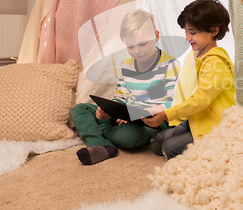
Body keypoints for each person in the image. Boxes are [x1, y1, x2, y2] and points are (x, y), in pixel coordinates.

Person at [71, 10, 180, 165]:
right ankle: (102, 143)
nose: (137, 51)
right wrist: (110, 109)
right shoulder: (127, 66)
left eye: (143, 43)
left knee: (130, 138)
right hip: (125, 115)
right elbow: (121, 95)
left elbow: (172, 102)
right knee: (78, 109)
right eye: (130, 46)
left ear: (156, 36)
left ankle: (93, 134)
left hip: (150, 121)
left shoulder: (170, 64)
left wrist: (134, 114)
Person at [143, 0, 235, 159]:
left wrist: (166, 114)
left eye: (192, 33)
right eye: (186, 32)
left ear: (214, 30)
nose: (187, 37)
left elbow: (201, 99)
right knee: (156, 144)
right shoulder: (197, 54)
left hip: (216, 124)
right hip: (198, 117)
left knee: (169, 148)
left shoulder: (216, 62)